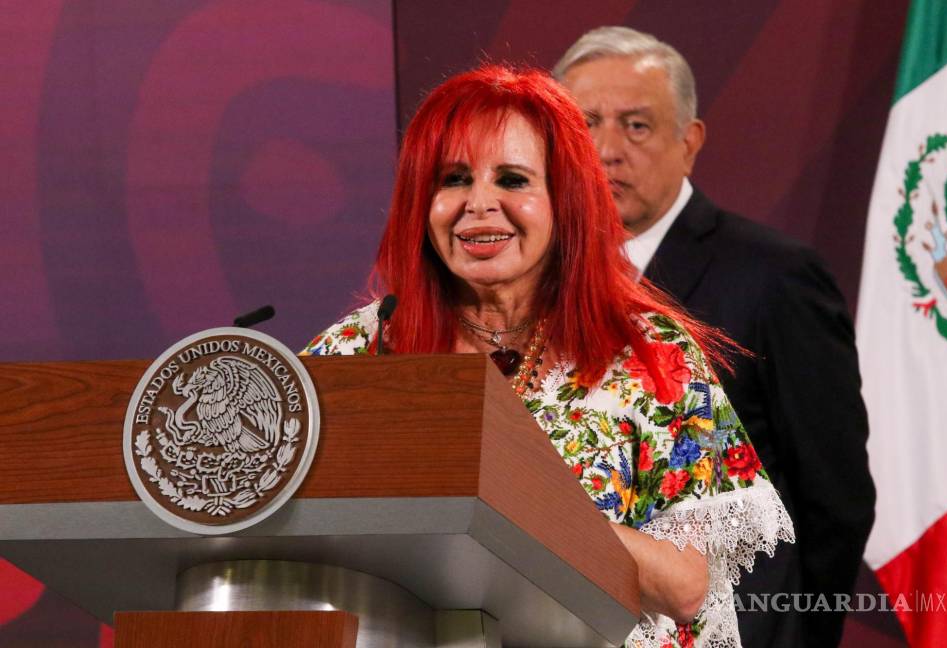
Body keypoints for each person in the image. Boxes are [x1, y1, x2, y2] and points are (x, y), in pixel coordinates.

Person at [303, 65, 793, 648]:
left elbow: (683, 587)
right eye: (453, 179)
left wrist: (505, 498)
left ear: (566, 200)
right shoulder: (362, 349)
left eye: (512, 179)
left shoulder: (649, 355)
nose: (478, 204)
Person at [554, 27, 875, 648]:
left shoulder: (775, 277)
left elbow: (835, 498)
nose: (606, 150)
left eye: (636, 126)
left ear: (689, 142)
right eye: (585, 124)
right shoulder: (529, 285)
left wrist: (794, 635)